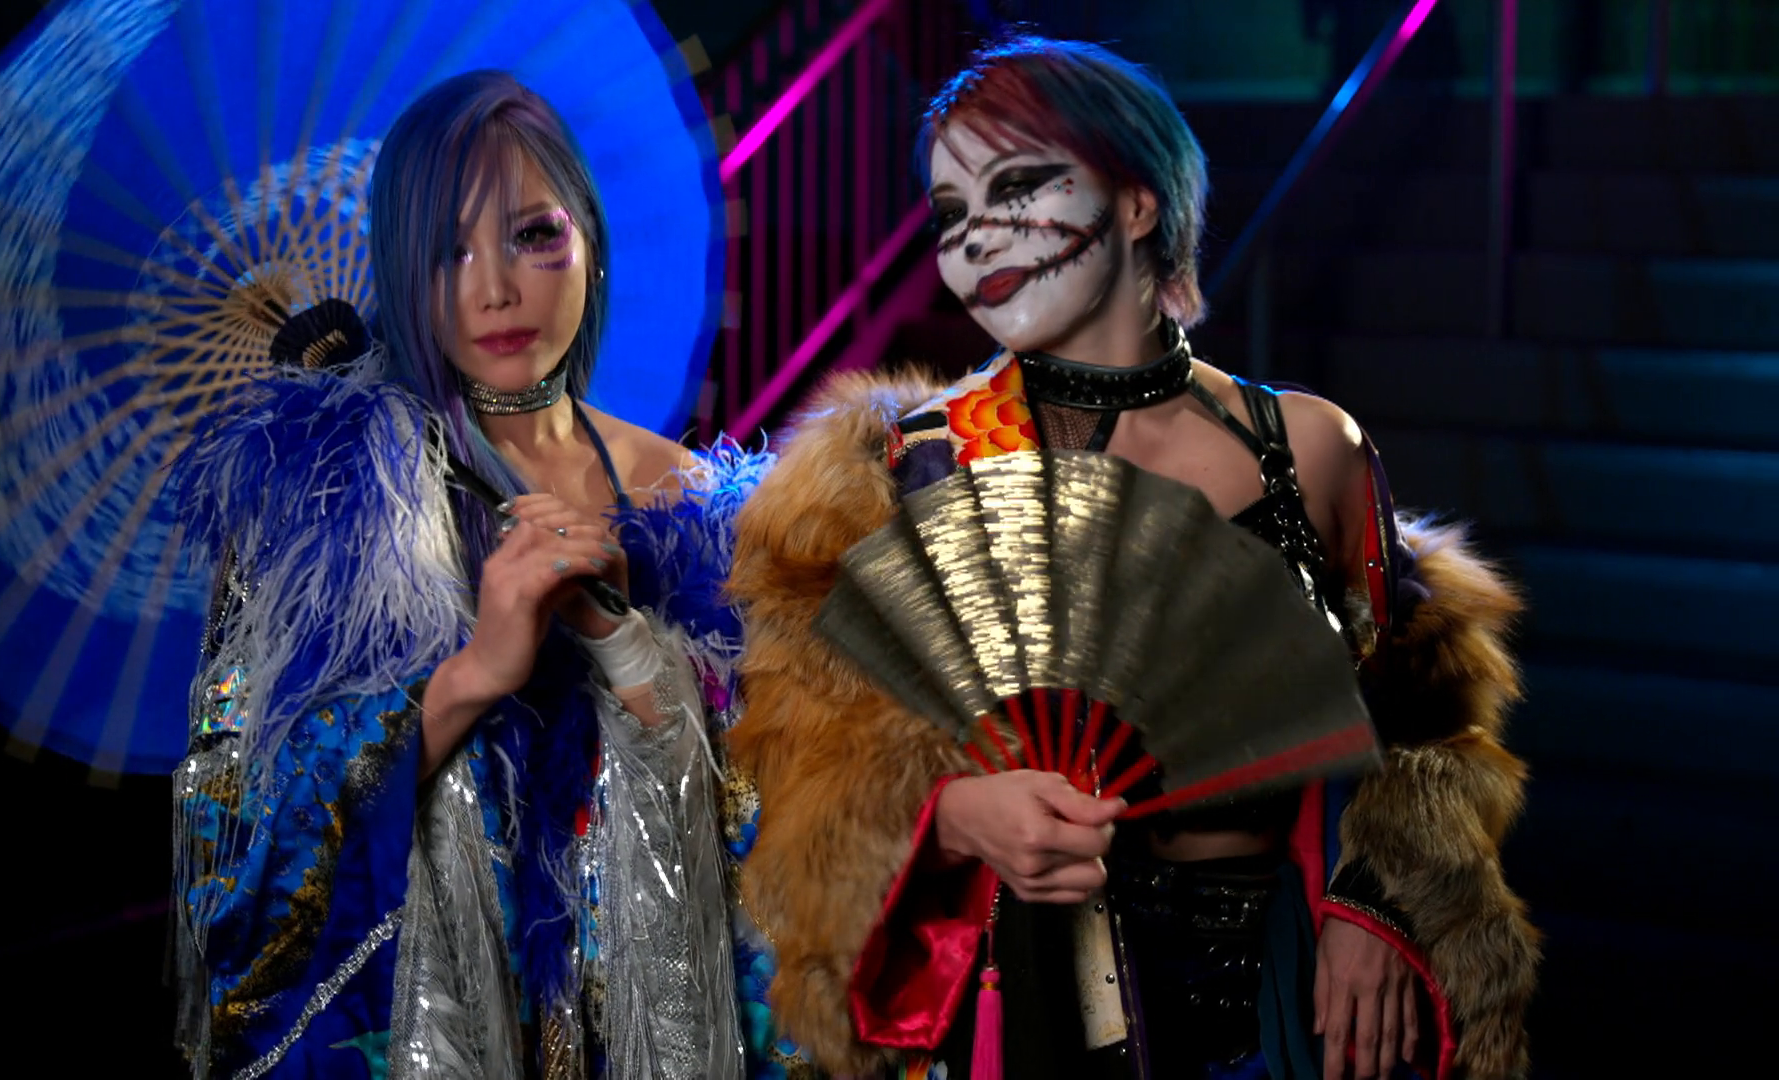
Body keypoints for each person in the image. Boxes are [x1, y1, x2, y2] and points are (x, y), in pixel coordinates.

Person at [726, 36, 1538, 1080]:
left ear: (1139, 202)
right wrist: (954, 817)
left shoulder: (1306, 449)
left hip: (1280, 997)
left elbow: (1428, 725)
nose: (975, 238)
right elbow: (795, 782)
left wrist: (1373, 902)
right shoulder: (898, 472)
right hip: (1021, 1003)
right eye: (950, 213)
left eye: (1016, 188)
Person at [169, 71, 752, 1078]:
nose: (496, 290)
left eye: (533, 235)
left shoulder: (688, 494)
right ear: (403, 269)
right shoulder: (321, 503)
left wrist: (627, 648)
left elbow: (765, 818)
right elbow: (240, 831)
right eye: (449, 252)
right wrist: (477, 671)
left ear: (590, 240)